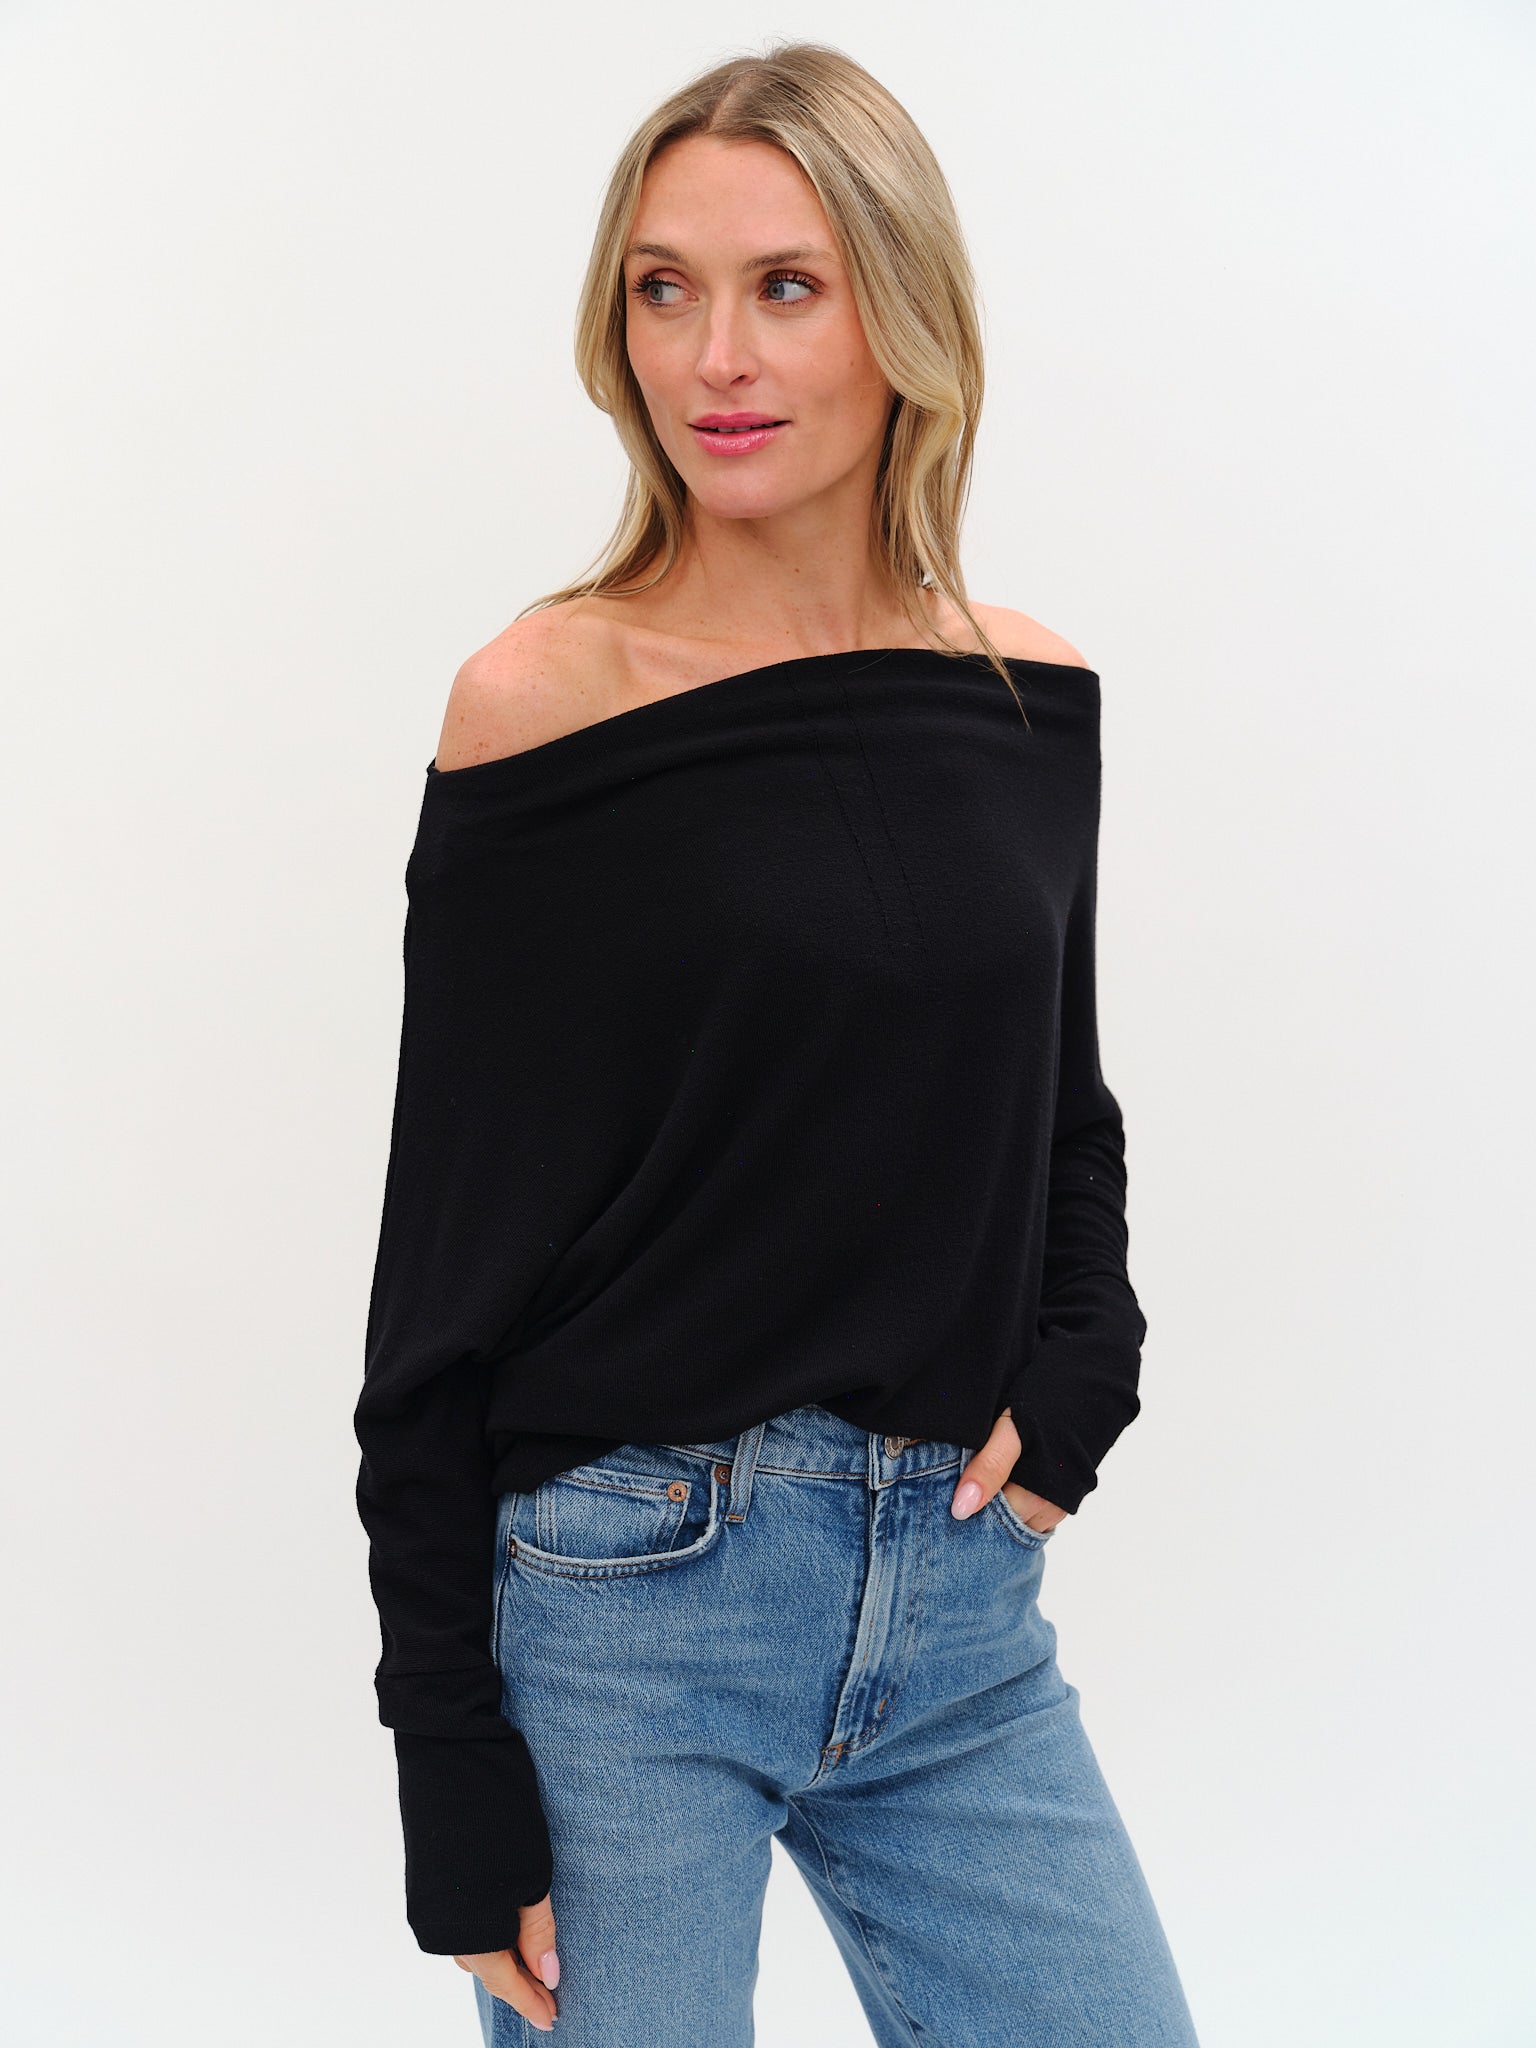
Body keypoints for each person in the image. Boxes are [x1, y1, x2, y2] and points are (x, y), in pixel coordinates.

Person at [353, 38, 1201, 2047]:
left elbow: (1056, 1105)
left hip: (958, 1617)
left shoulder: (1025, 696)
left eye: (785, 287)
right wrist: (447, 1753)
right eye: (665, 288)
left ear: (902, 316)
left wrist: (1088, 1364)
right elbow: (439, 1270)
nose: (714, 355)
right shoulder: (542, 704)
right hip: (628, 1611)